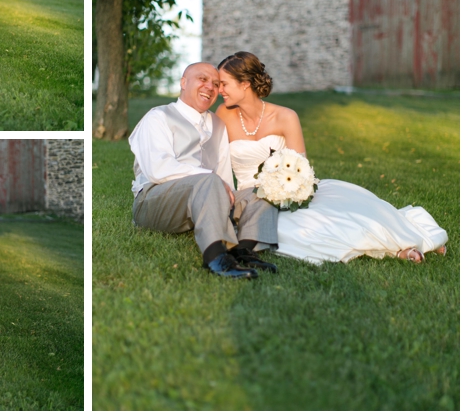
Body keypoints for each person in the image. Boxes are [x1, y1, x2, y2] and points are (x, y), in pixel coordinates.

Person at [216, 51, 449, 264]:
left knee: (344, 215)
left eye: (224, 84)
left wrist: (287, 192)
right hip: (248, 197)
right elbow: (217, 162)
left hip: (287, 194)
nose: (220, 90)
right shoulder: (223, 115)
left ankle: (403, 242)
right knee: (294, 230)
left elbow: (301, 167)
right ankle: (393, 250)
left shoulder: (286, 117)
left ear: (245, 84)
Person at [128, 62, 280, 279]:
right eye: (202, 79)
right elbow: (157, 169)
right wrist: (209, 178)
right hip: (153, 200)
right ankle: (215, 257)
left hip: (204, 198)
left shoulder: (218, 124)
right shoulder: (158, 116)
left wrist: (228, 196)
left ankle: (243, 250)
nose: (210, 87)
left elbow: (224, 176)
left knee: (262, 191)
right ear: (183, 82)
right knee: (209, 180)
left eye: (216, 83)